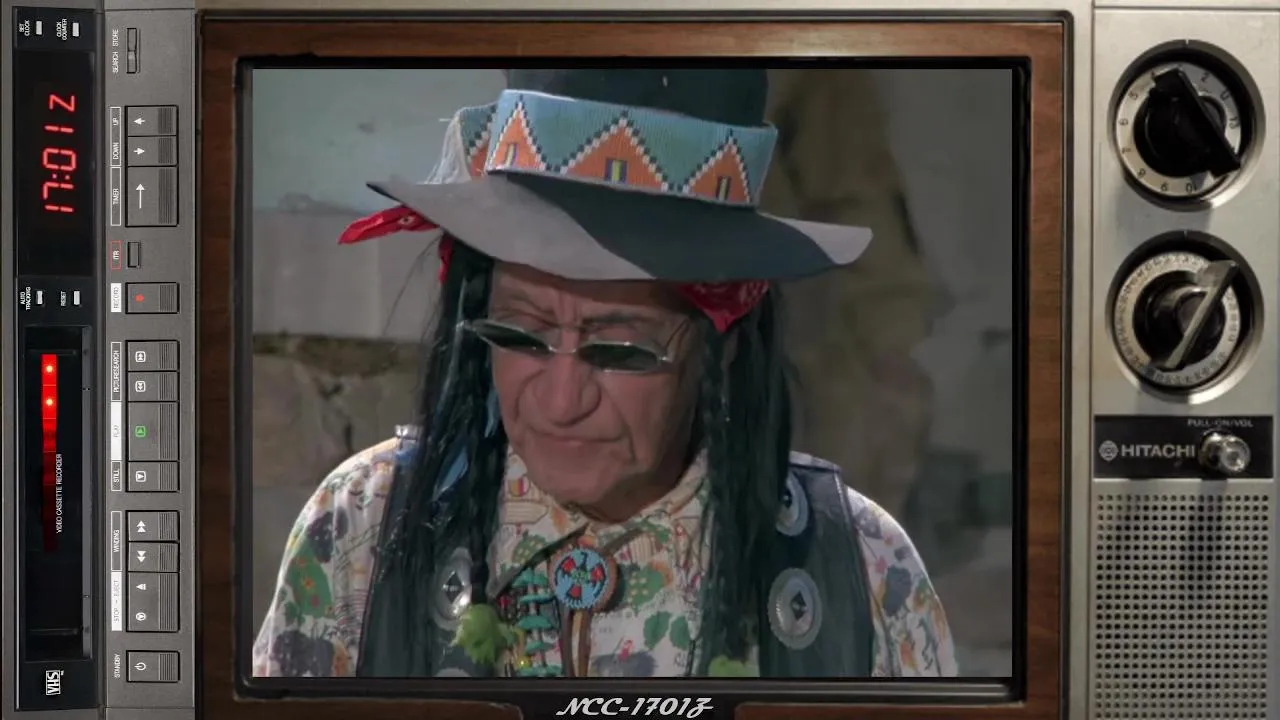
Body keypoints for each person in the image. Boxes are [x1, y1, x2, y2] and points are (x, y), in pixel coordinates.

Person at [253, 68, 958, 679]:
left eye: (621, 350)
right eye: (519, 334)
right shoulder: (365, 529)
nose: (561, 402)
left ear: (721, 345)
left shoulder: (861, 569)